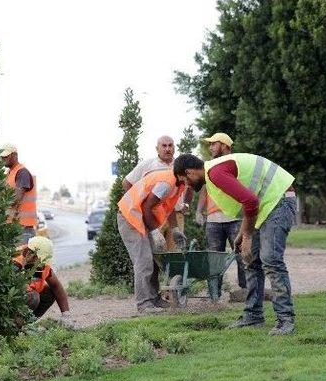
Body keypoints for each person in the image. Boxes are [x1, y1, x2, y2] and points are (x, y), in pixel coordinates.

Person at [174, 150, 298, 335]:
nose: (187, 185)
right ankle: (253, 316)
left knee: (271, 260)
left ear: (190, 172)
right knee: (249, 259)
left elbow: (250, 201)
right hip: (266, 206)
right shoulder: (213, 174)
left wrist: (247, 237)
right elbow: (248, 203)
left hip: (279, 201)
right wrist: (243, 233)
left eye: (184, 181)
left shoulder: (215, 173)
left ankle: (285, 320)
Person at [195, 133, 258, 302]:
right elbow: (203, 192)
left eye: (213, 144)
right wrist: (199, 211)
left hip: (235, 218)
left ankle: (246, 291)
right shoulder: (209, 168)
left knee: (242, 254)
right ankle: (214, 295)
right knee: (214, 258)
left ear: (224, 145)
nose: (210, 148)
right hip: (214, 221)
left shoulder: (234, 164)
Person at [117, 169, 187, 313]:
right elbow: (147, 207)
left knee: (154, 260)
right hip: (130, 217)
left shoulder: (176, 184)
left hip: (140, 217)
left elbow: (170, 207)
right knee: (143, 261)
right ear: (186, 173)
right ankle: (143, 304)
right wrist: (155, 232)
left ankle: (154, 299)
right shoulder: (167, 183)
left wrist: (174, 229)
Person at [123, 135, 193, 250]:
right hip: (153, 215)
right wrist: (137, 204)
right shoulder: (148, 165)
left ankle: (172, 269)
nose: (167, 149)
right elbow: (126, 182)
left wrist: (186, 204)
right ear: (157, 149)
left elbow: (190, 186)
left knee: (176, 252)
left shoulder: (180, 165)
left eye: (170, 145)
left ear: (174, 148)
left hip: (176, 214)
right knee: (156, 251)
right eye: (164, 146)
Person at [13, 236, 74, 327]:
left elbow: (56, 287)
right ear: (30, 253)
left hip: (26, 296)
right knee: (34, 297)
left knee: (49, 292)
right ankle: (13, 327)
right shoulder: (15, 260)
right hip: (9, 301)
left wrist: (66, 314)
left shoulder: (42, 265)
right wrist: (23, 265)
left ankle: (26, 325)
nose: (42, 264)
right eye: (40, 260)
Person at [1, 143, 37, 244]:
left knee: (20, 259)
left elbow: (16, 198)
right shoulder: (9, 174)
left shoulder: (22, 172)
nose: (3, 158)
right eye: (1, 156)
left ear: (15, 155)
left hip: (23, 230)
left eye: (6, 156)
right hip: (13, 228)